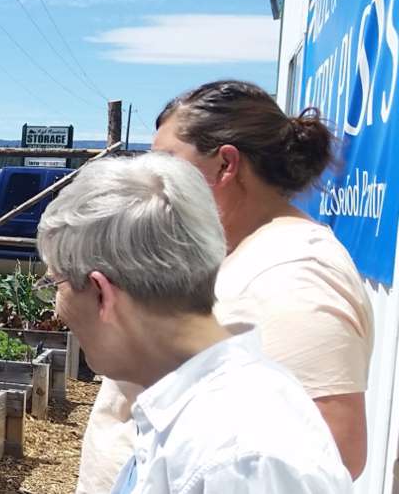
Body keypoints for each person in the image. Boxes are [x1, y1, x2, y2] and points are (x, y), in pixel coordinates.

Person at [76, 80, 374, 493]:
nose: (150, 181)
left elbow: (331, 448)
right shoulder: (236, 253)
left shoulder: (294, 273)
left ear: (226, 165)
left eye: (165, 163)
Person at [37, 153, 351, 493]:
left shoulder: (236, 457)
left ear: (102, 293)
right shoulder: (207, 413)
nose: (57, 310)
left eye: (55, 284)